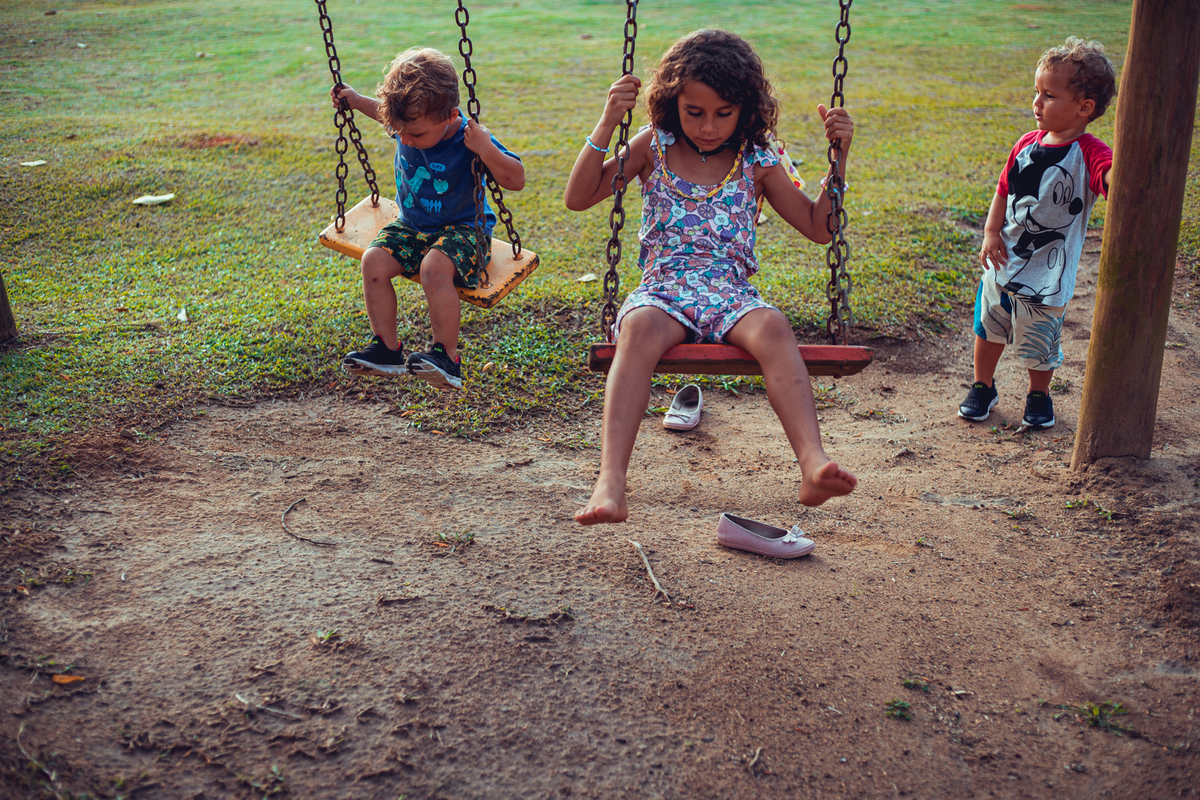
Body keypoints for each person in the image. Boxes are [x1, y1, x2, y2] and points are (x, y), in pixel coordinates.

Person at [563, 29, 858, 526]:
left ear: (747, 108)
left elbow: (817, 228)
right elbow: (579, 195)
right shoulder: (653, 146)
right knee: (637, 329)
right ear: (671, 102)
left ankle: (812, 463)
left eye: (724, 113)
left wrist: (839, 158)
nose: (708, 127)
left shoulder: (758, 161)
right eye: (694, 112)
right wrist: (609, 119)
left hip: (730, 293)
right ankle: (611, 481)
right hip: (663, 289)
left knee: (773, 327)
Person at [331, 47, 525, 390]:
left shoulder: (469, 136)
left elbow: (516, 179)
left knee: (433, 269)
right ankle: (386, 349)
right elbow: (384, 116)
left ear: (450, 115)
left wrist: (486, 150)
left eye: (415, 135)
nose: (404, 140)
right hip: (412, 225)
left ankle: (446, 356)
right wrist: (356, 100)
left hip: (465, 230)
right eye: (400, 131)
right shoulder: (408, 122)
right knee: (373, 262)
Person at [958, 37, 1116, 429]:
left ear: (1084, 108)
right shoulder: (1026, 143)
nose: (1036, 102)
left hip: (1047, 277)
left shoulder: (1091, 153)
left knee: (1040, 342)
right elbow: (1003, 188)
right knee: (988, 326)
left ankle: (1038, 395)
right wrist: (991, 231)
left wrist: (1124, 172)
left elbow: (1113, 180)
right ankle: (983, 385)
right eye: (1036, 92)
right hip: (1003, 261)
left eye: (1048, 95)